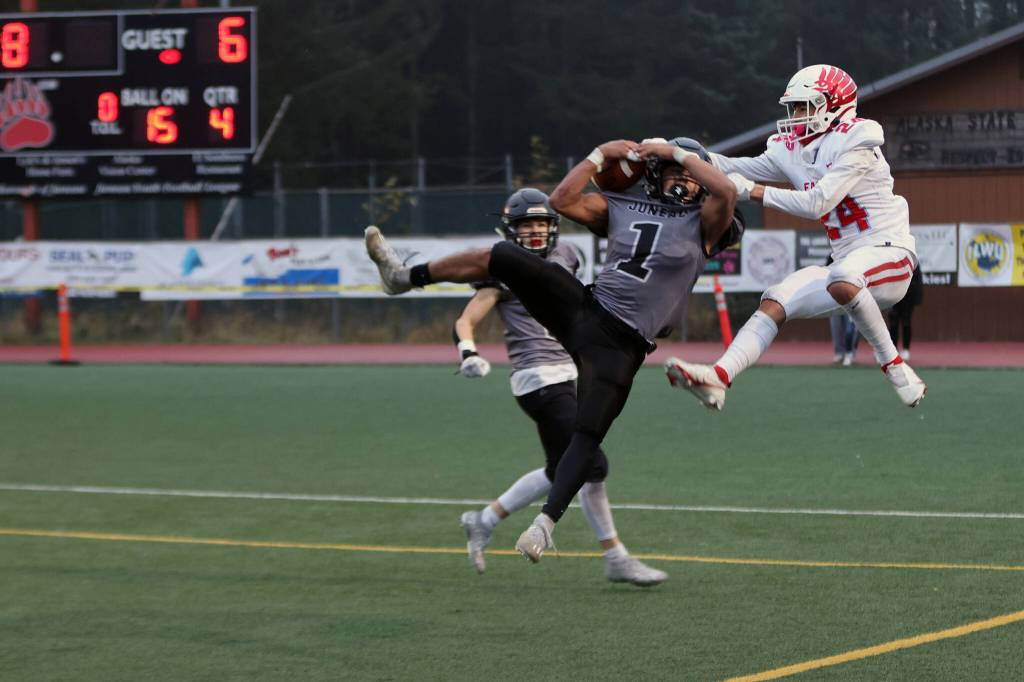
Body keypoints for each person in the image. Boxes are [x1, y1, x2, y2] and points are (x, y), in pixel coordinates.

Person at [366, 136, 742, 563]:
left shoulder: (707, 220)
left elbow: (726, 190)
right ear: (654, 177)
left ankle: (544, 524)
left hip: (622, 346)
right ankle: (403, 277)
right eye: (677, 175)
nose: (686, 182)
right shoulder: (621, 205)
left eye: (692, 176)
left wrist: (675, 153)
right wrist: (601, 154)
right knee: (503, 256)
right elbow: (562, 199)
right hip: (586, 309)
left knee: (587, 435)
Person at [665, 64, 926, 409]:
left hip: (889, 254)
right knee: (776, 298)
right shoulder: (792, 148)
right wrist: (678, 154)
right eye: (795, 107)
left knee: (843, 277)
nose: (798, 115)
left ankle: (893, 364)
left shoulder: (858, 141)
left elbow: (817, 203)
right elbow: (735, 166)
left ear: (834, 106)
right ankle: (719, 377)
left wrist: (753, 192)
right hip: (848, 263)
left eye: (806, 106)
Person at [454, 188, 666, 586]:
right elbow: (467, 320)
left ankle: (482, 520)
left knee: (560, 469)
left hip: (570, 371)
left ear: (552, 227)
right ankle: (615, 556)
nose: (534, 231)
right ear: (510, 231)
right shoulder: (505, 269)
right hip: (536, 379)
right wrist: (468, 352)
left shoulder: (567, 255)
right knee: (591, 464)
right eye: (525, 224)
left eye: (540, 222)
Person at [888, 265, 923, 361]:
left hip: (908, 298)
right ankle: (892, 350)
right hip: (894, 297)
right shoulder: (892, 261)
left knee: (906, 323)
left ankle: (906, 349)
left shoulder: (913, 260)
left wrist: (917, 299)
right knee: (893, 324)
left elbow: (918, 279)